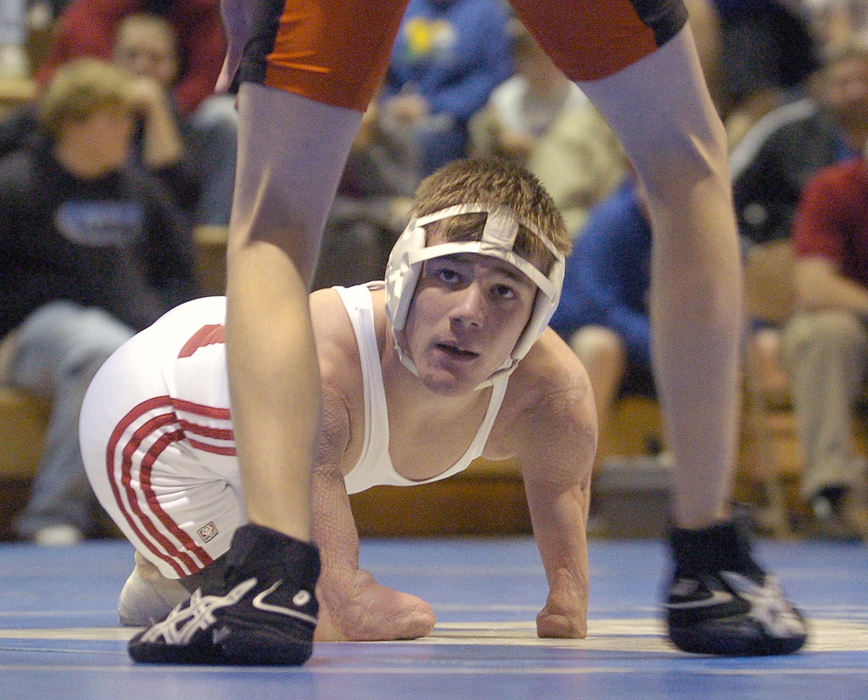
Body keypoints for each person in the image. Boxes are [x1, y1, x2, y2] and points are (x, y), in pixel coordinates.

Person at [163, 0, 808, 665]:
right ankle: (710, 561)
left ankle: (269, 571)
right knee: (688, 169)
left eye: (501, 291)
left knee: (274, 223)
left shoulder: (554, 385)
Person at [81, 158, 594, 659]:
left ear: (538, 313)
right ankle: (171, 579)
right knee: (293, 611)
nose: (469, 314)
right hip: (151, 426)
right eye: (450, 277)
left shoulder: (552, 394)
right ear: (402, 277)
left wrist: (566, 601)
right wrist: (344, 597)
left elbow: (562, 490)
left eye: (503, 290)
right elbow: (338, 608)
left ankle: (178, 567)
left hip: (228, 379)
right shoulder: (328, 360)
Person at [0, 57, 196, 544]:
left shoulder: (139, 189)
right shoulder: (17, 184)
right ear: (75, 122)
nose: (128, 130)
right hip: (33, 337)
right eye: (114, 118)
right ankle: (49, 515)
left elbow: (178, 274)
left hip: (130, 333)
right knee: (101, 351)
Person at [33, 0, 237, 226]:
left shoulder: (202, 13)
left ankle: (212, 245)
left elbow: (179, 196)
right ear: (113, 57)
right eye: (132, 56)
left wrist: (159, 109)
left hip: (163, 224)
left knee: (226, 116)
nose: (142, 66)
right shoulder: (93, 17)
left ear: (174, 65)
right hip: (83, 217)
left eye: (156, 58)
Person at [780, 148, 868, 541]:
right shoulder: (832, 188)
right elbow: (814, 286)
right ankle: (832, 491)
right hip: (850, 326)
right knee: (827, 332)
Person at [467, 20, 626, 234]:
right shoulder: (506, 99)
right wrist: (498, 139)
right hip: (517, 190)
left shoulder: (584, 99)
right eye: (532, 59)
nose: (543, 68)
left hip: (571, 194)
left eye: (548, 58)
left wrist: (539, 147)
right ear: (518, 63)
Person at [549, 177, 656, 461]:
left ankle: (703, 493)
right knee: (599, 345)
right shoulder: (611, 221)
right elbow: (595, 307)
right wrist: (659, 346)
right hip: (580, 337)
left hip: (645, 350)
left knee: (710, 355)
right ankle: (579, 483)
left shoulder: (690, 227)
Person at [379, 0, 513, 175]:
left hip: (453, 123)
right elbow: (379, 68)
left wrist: (432, 105)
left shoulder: (485, 12)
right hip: (392, 111)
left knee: (421, 141)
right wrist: (388, 101)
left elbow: (490, 77)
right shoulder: (403, 6)